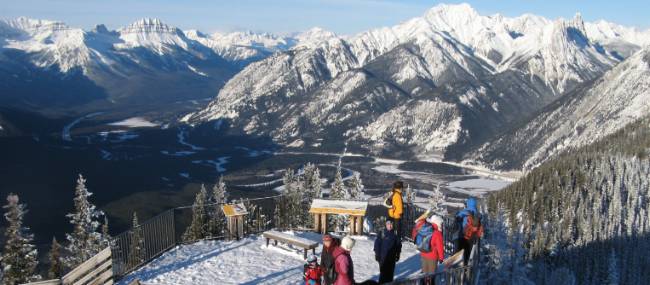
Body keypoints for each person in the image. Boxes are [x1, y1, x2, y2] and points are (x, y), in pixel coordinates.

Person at [455, 198, 483, 265]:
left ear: (468, 204)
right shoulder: (477, 213)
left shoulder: (465, 211)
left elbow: (457, 216)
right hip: (473, 236)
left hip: (463, 234)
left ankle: (460, 263)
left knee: (461, 250)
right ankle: (467, 265)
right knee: (469, 252)